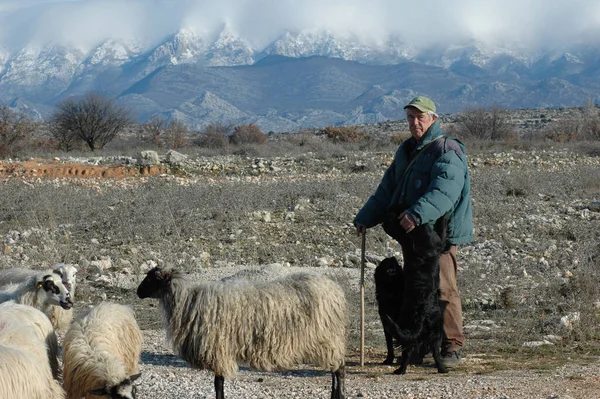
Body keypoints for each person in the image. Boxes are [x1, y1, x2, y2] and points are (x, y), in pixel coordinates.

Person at [353, 96, 473, 368]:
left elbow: (446, 190)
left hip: (438, 235)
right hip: (413, 233)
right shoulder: (407, 149)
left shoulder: (447, 149)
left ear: (433, 118)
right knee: (416, 289)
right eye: (410, 117)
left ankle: (452, 345)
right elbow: (387, 189)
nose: (414, 122)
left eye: (420, 117)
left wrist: (418, 213)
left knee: (443, 286)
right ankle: (418, 343)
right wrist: (365, 217)